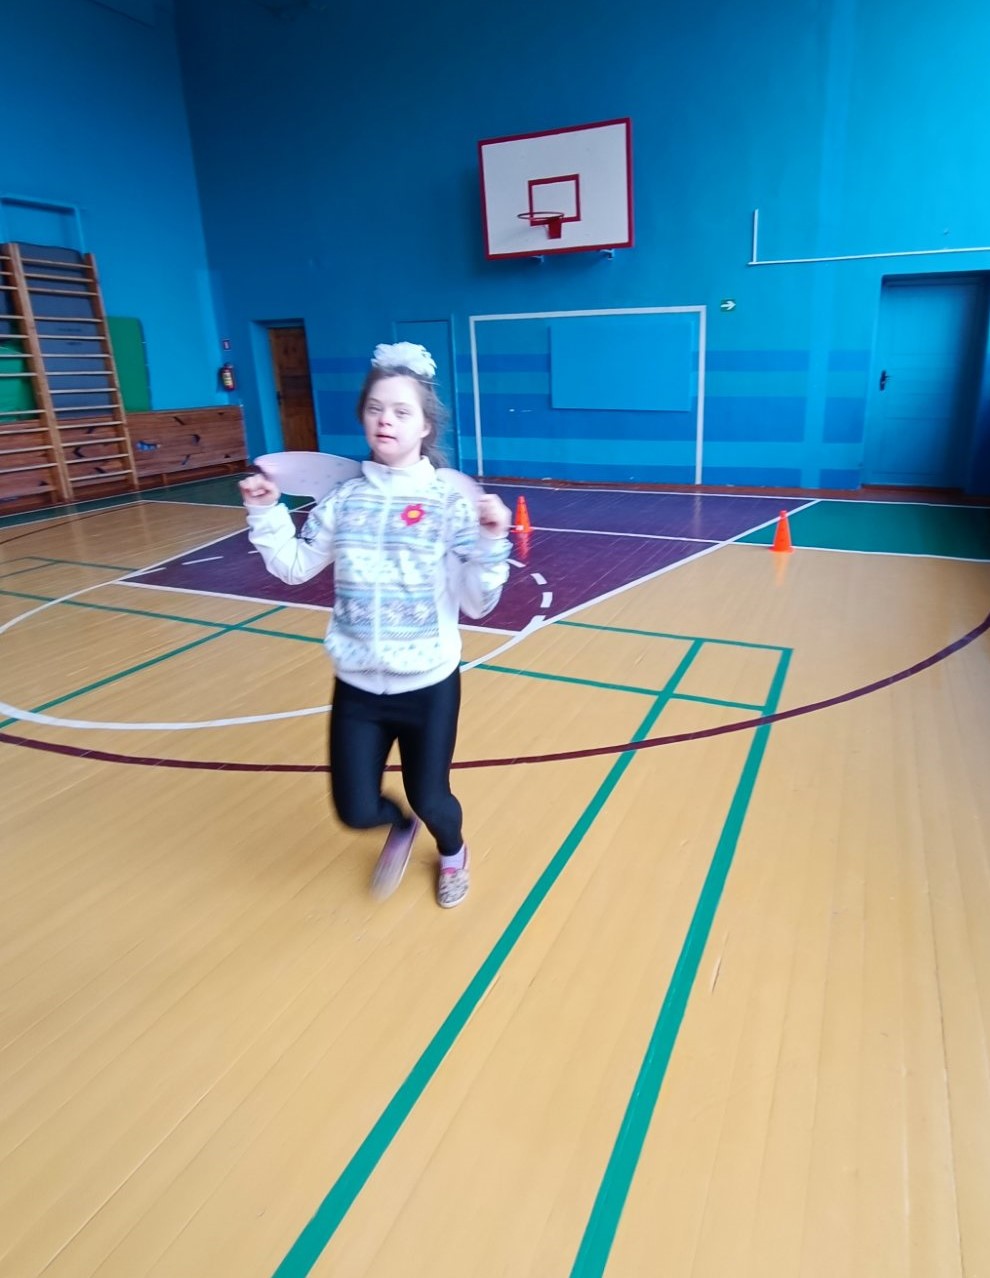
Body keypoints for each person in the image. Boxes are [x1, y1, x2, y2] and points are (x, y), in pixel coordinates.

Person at [239, 342, 512, 908]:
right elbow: (294, 567)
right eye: (375, 408)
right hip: (358, 686)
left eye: (401, 411)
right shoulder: (344, 500)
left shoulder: (449, 503)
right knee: (356, 809)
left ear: (425, 427)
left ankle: (453, 852)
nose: (385, 419)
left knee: (432, 797)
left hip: (428, 684)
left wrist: (491, 544)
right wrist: (265, 511)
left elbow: (479, 603)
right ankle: (399, 826)